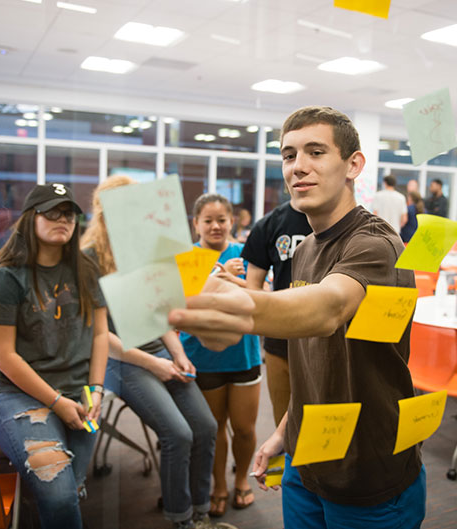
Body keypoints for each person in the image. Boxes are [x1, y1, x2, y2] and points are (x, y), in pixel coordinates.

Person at [169, 106, 425, 529]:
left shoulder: (376, 243)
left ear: (353, 165)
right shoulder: (304, 249)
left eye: (316, 152)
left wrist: (242, 307)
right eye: (289, 155)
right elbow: (315, 363)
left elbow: (329, 308)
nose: (298, 167)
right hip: (308, 459)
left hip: (369, 473)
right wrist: (284, 434)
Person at [81, 176, 234, 529]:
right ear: (106, 212)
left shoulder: (142, 250)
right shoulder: (90, 259)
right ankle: (181, 520)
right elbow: (99, 337)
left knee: (205, 427)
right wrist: (155, 363)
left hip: (156, 351)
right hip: (120, 360)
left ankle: (200, 514)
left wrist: (177, 354)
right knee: (178, 434)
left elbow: (158, 312)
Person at [0, 183, 108, 529]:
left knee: (73, 488)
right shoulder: (6, 277)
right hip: (14, 393)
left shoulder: (85, 269)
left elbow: (99, 334)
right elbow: (3, 356)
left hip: (77, 390)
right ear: (30, 219)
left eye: (69, 214)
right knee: (60, 494)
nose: (62, 219)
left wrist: (97, 388)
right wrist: (56, 402)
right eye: (52, 212)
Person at [180, 194, 262, 517]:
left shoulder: (246, 254)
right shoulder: (187, 259)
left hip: (244, 356)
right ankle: (219, 485)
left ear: (232, 222)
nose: (215, 226)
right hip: (203, 358)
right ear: (196, 224)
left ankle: (241, 478)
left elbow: (264, 299)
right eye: (208, 220)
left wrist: (236, 280)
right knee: (213, 428)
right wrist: (219, 277)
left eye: (221, 220)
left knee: (244, 428)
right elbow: (184, 305)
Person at [240, 200, 313, 426]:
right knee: (284, 423)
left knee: (321, 427)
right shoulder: (269, 225)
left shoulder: (342, 224)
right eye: (288, 161)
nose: (299, 169)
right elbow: (253, 289)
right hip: (280, 343)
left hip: (328, 342)